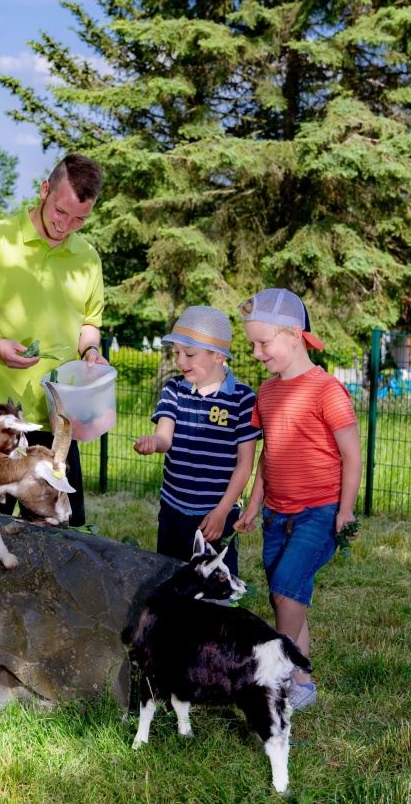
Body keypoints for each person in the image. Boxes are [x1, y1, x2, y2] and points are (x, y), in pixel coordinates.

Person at [0, 154, 107, 526]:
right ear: (45, 190)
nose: (66, 226)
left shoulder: (87, 259)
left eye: (80, 219)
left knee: (59, 531)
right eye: (61, 211)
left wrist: (91, 350)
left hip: (57, 418)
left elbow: (89, 323)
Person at [232, 288, 362, 710]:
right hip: (276, 514)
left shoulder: (326, 390)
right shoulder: (266, 394)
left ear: (293, 334)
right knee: (285, 594)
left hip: (320, 512)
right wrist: (253, 504)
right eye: (252, 343)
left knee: (287, 590)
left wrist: (345, 510)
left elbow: (352, 455)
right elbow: (269, 456)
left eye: (263, 343)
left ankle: (280, 669)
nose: (255, 352)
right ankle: (302, 683)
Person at [134, 306, 259, 581]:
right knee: (171, 583)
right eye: (176, 352)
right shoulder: (173, 389)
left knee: (215, 590)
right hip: (173, 510)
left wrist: (223, 511)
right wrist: (151, 443)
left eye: (189, 354)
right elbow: (164, 438)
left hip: (216, 515)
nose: (180, 360)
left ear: (218, 355)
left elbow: (244, 464)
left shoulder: (243, 398)